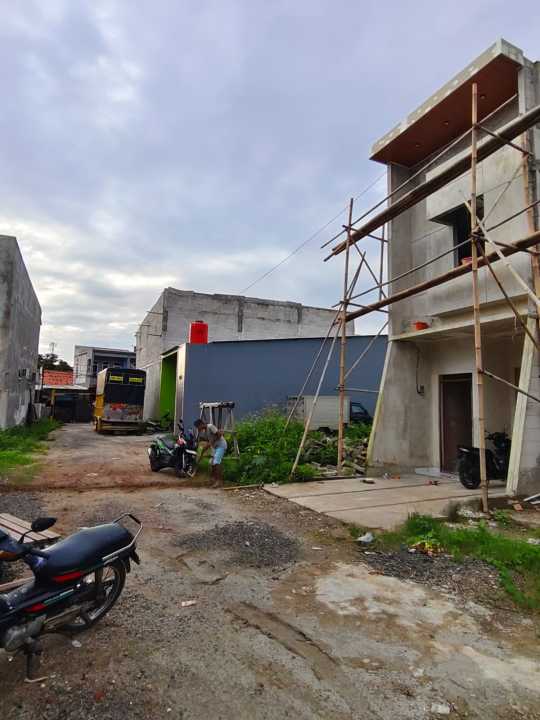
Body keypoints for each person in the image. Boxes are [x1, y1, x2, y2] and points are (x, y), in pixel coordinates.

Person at [194, 418, 227, 487]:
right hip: (215, 447)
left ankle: (219, 481)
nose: (198, 429)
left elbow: (219, 435)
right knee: (211, 463)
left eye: (198, 427)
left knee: (216, 462)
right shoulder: (205, 432)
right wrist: (201, 454)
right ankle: (213, 479)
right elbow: (208, 444)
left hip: (221, 445)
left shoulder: (210, 426)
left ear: (201, 424)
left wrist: (211, 442)